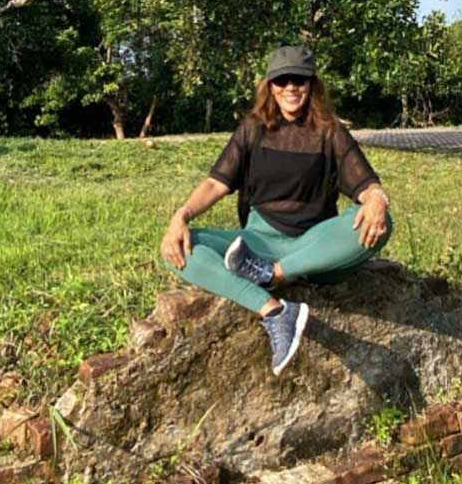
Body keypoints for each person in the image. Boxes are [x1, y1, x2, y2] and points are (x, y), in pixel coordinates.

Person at [160, 45, 393, 376]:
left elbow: (366, 184)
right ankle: (273, 311)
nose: (290, 88)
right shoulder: (253, 128)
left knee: (383, 222)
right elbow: (216, 183)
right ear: (269, 86)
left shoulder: (331, 132)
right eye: (282, 80)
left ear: (312, 84)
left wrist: (376, 199)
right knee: (179, 248)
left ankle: (272, 274)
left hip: (314, 248)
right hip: (257, 242)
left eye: (299, 80)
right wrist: (180, 217)